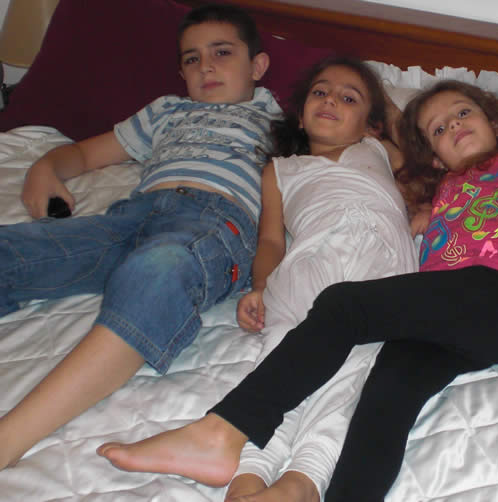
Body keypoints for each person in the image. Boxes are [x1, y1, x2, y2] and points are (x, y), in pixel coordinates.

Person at [95, 79, 498, 502]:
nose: (453, 126)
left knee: (344, 303)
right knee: (383, 402)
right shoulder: (443, 191)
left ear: (496, 123)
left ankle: (225, 428)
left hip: (493, 299)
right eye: (438, 130)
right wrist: (422, 217)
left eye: (463, 113)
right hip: (445, 321)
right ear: (435, 158)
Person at [98, 54, 420, 501]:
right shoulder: (280, 169)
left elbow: (414, 139)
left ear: (371, 125)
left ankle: (299, 481)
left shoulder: (379, 150)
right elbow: (270, 240)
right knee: (283, 362)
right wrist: (262, 286)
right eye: (320, 92)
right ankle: (249, 474)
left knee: (351, 373)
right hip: (310, 260)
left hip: (379, 260)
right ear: (300, 116)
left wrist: (378, 87)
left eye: (349, 98)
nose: (330, 100)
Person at [0, 4, 281, 471]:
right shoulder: (166, 111)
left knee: (160, 269)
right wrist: (44, 167)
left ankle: (11, 437)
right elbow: (84, 155)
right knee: (13, 249)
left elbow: (354, 140)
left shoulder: (281, 122)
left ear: (257, 65)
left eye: (222, 52)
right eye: (191, 58)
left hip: (214, 224)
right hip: (132, 217)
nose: (206, 66)